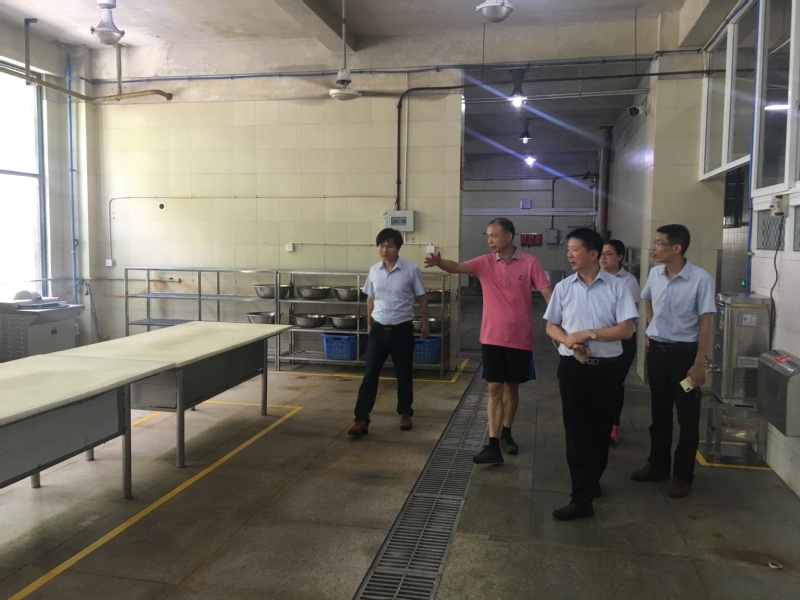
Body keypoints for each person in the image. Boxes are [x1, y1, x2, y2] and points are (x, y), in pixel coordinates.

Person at [424, 217, 552, 464]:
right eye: (488, 236)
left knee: (512, 388)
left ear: (509, 236)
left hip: (519, 338)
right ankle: (493, 444)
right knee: (494, 387)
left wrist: (559, 320)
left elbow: (547, 293)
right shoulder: (484, 263)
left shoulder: (530, 263)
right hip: (491, 336)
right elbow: (458, 267)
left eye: (494, 235)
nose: (490, 240)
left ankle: (506, 433)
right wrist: (440, 263)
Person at [543, 228, 637, 521]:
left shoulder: (618, 287)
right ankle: (580, 498)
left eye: (575, 249)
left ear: (593, 254)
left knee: (599, 431)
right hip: (573, 368)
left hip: (606, 370)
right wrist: (567, 339)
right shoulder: (563, 287)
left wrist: (588, 334)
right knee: (575, 431)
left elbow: (627, 329)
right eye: (568, 250)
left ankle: (591, 480)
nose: (569, 255)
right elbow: (550, 325)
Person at [631, 224, 715, 499]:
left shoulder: (701, 279)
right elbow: (647, 299)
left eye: (659, 243)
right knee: (659, 413)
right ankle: (658, 465)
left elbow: (705, 322)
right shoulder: (655, 274)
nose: (653, 248)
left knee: (688, 418)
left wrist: (699, 363)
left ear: (676, 248)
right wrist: (652, 327)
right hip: (658, 352)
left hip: (684, 355)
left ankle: (682, 475)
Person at [348, 228, 429, 436]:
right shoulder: (374, 271)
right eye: (381, 245)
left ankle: (405, 413)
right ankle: (361, 419)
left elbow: (421, 298)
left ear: (398, 248)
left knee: (404, 374)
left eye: (389, 246)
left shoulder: (411, 270)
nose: (385, 250)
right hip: (378, 330)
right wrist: (369, 323)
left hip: (402, 330)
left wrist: (425, 324)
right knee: (370, 374)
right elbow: (370, 298)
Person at [599, 239, 640, 444]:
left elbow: (626, 316)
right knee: (598, 382)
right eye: (601, 254)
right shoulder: (594, 277)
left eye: (608, 254)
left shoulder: (628, 281)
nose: (603, 258)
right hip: (599, 338)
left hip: (622, 340)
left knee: (614, 383)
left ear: (620, 257)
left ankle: (612, 424)